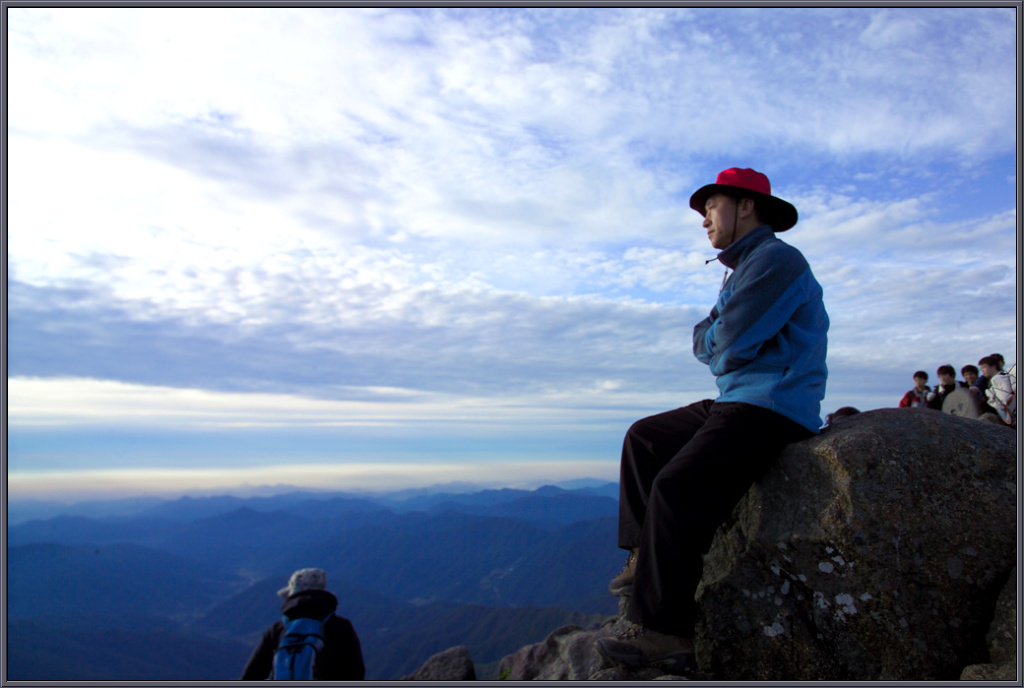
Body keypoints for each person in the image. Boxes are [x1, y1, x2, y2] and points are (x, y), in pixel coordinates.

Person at [596, 168, 828, 669]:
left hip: (773, 404)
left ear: (745, 206)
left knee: (676, 489)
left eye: (711, 205)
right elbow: (709, 340)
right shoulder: (741, 269)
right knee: (645, 438)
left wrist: (720, 339)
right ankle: (643, 559)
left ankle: (665, 631)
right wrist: (720, 339)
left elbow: (724, 343)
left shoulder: (777, 261)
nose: (704, 218)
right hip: (738, 396)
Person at [241, 568, 365, 680]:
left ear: (291, 595)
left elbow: (251, 674)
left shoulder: (277, 630)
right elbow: (356, 672)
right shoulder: (341, 627)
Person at [979, 355, 1014, 425]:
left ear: (994, 366)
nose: (982, 370)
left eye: (984, 367)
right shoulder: (992, 380)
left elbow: (1006, 399)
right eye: (981, 368)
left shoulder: (1000, 378)